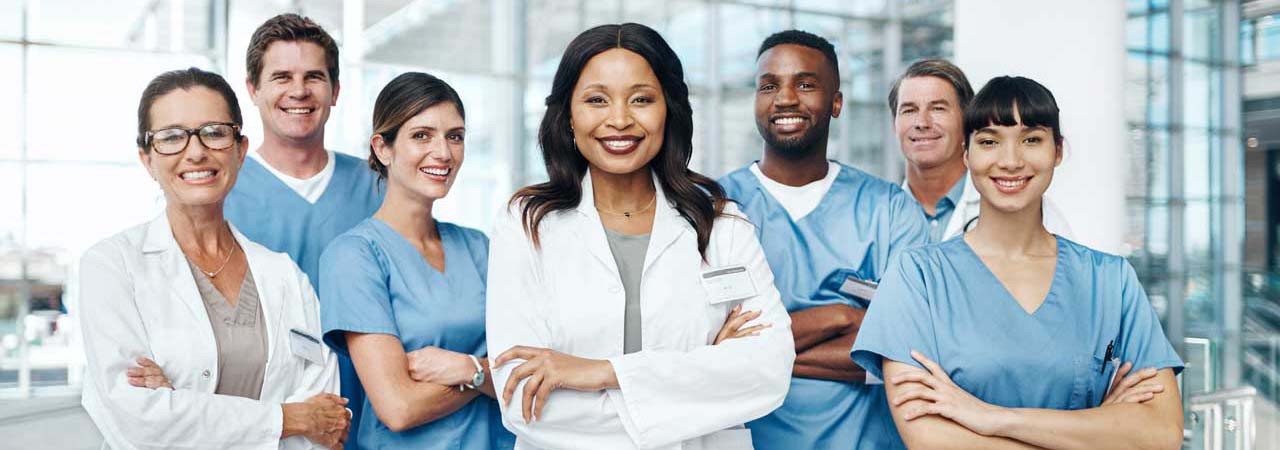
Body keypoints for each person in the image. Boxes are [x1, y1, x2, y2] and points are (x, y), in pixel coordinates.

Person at [485, 23, 795, 450]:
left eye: (641, 99)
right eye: (596, 100)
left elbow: (770, 369)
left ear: (669, 110)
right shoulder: (526, 223)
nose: (619, 119)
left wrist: (602, 372)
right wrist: (707, 370)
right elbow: (524, 400)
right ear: (568, 115)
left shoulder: (721, 223)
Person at [851, 76, 1184, 450]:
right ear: (967, 155)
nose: (1010, 161)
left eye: (1031, 140)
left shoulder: (1110, 279)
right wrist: (1098, 430)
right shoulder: (917, 276)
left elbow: (1162, 432)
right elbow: (929, 439)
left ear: (1057, 151)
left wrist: (989, 416)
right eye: (990, 142)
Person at [78, 67, 348, 449]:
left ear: (240, 150)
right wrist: (287, 418)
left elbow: (324, 420)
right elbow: (137, 422)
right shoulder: (111, 266)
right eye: (171, 137)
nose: (196, 151)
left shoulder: (284, 274)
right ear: (147, 159)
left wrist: (182, 405)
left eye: (215, 132)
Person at [717, 30, 929, 450]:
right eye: (769, 85)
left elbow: (909, 350)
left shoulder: (891, 211)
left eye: (806, 83)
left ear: (836, 102)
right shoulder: (712, 208)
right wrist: (843, 318)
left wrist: (752, 356)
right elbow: (699, 349)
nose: (785, 98)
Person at [318, 72, 515, 450]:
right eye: (422, 135)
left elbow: (533, 371)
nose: (443, 152)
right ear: (383, 148)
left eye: (455, 136)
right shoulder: (354, 257)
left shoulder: (479, 247)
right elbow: (399, 407)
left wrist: (465, 369)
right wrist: (485, 377)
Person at [224, 14, 383, 441]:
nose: (299, 91)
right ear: (253, 90)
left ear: (335, 91)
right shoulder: (221, 192)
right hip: (262, 419)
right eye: (281, 77)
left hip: (370, 414)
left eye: (314, 76)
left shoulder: (380, 186)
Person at [890, 59, 1071, 242]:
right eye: (909, 110)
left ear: (967, 121)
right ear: (893, 124)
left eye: (938, 108)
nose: (922, 123)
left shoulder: (1038, 215)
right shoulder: (879, 213)